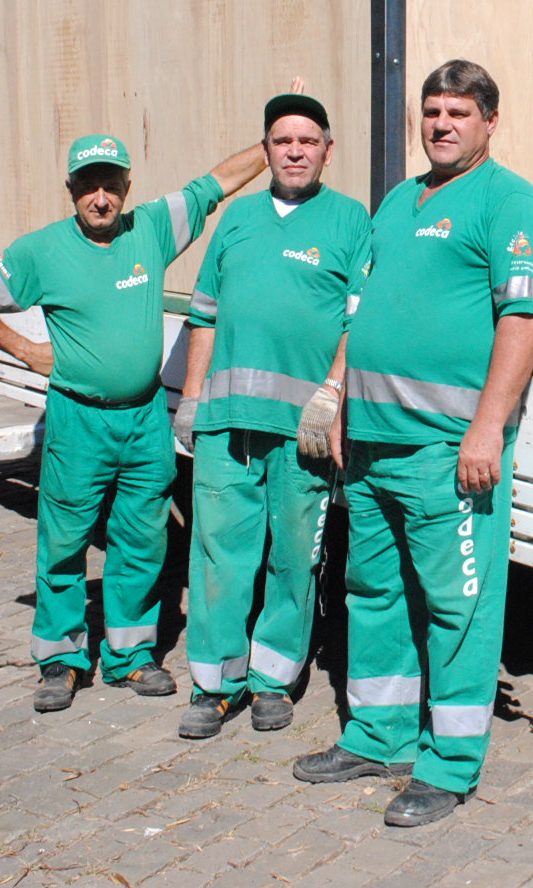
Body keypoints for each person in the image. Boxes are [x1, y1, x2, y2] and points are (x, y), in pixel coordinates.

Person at [292, 60, 533, 828]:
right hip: (371, 446)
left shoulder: (509, 203)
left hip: (447, 451)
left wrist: (486, 429)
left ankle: (450, 764)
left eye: (458, 114)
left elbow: (524, 321)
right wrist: (337, 395)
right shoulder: (400, 200)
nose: (441, 125)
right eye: (432, 112)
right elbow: (361, 309)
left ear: (490, 123)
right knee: (372, 596)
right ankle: (379, 735)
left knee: (456, 608)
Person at [0, 132, 265, 713]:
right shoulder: (41, 252)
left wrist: (276, 137)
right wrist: (25, 349)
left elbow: (212, 186)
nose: (101, 196)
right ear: (71, 189)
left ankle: (129, 657)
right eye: (89, 184)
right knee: (64, 545)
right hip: (78, 422)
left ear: (126, 186)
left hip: (145, 420)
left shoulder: (150, 228)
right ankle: (60, 662)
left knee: (142, 541)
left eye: (111, 183)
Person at [172, 92, 371, 739]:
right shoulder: (235, 220)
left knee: (293, 559)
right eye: (283, 141)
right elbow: (203, 315)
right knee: (219, 557)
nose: (295, 150)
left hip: (301, 432)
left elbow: (358, 320)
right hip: (227, 423)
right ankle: (214, 685)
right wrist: (193, 400)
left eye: (307, 140)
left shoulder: (349, 221)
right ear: (265, 152)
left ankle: (272, 682)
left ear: (327, 151)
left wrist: (332, 394)